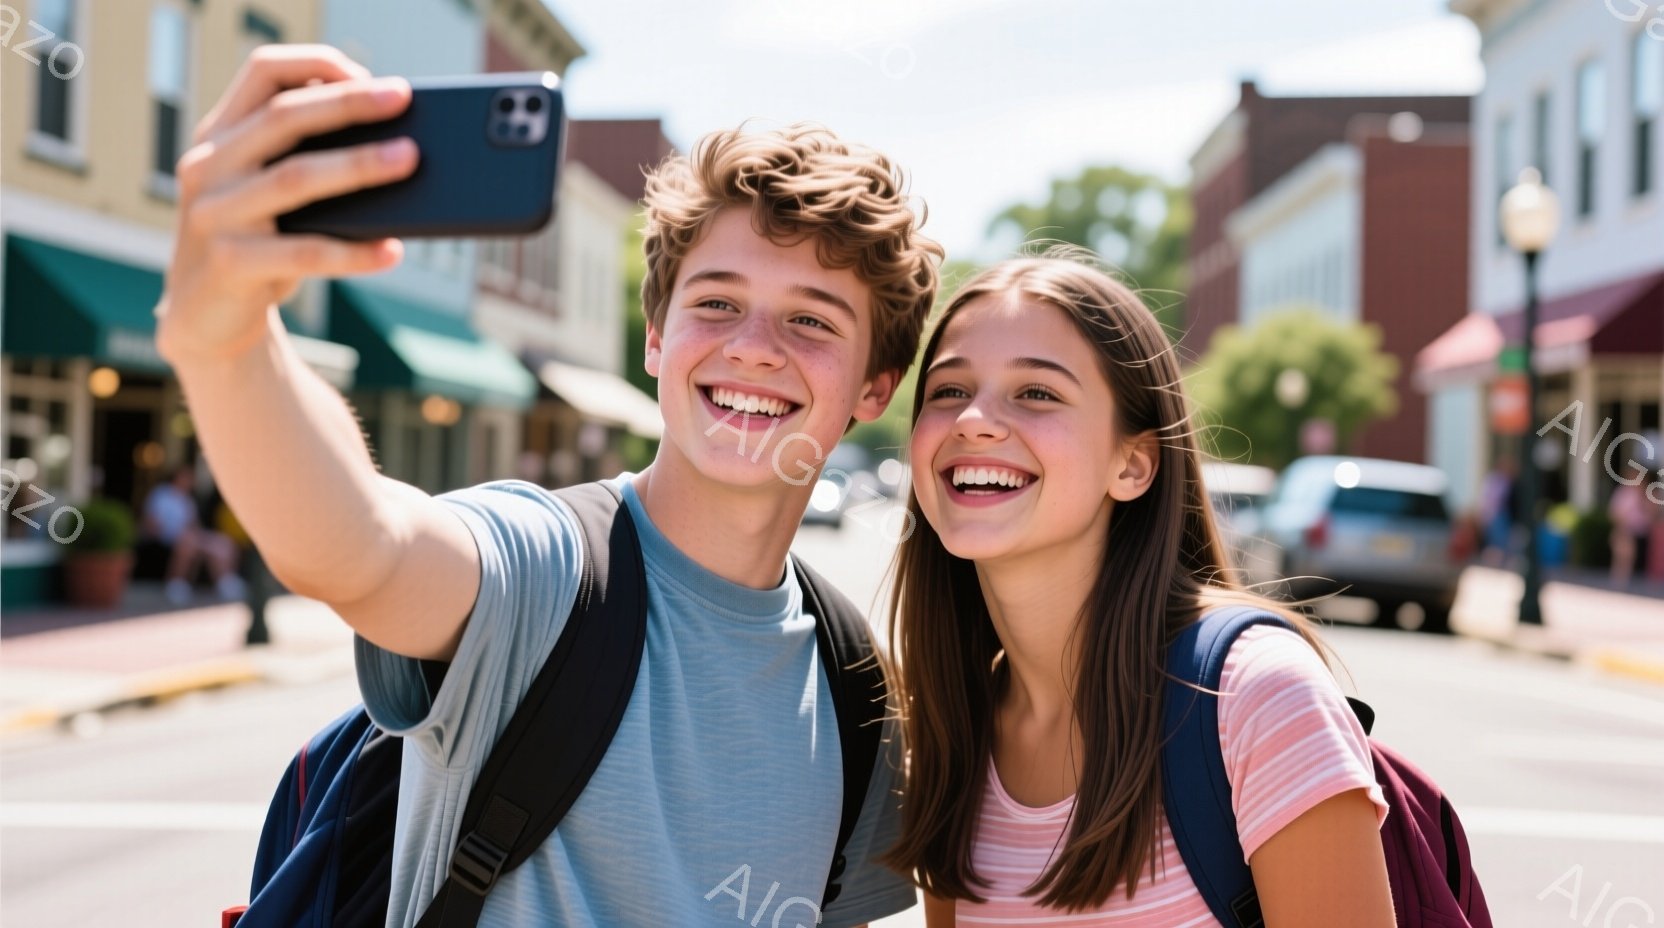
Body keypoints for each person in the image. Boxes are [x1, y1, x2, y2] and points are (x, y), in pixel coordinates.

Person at [154, 45, 940, 927]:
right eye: (716, 302)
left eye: (809, 319)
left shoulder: (852, 683)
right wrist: (221, 337)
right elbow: (361, 546)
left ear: (876, 387)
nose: (754, 345)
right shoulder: (550, 570)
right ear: (654, 338)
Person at [882, 254, 1395, 926]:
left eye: (1036, 393)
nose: (973, 420)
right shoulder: (955, 732)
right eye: (948, 390)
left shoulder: (1260, 696)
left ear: (1132, 464)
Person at [140, 463, 244, 604]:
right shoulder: (161, 494)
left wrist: (200, 537)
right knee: (188, 541)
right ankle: (176, 583)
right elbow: (151, 522)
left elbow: (194, 525)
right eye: (186, 477)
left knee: (223, 542)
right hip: (166, 536)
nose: (189, 481)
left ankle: (226, 581)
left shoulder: (187, 500)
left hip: (189, 536)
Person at [1609, 479, 1656, 587]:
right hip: (1626, 530)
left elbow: (1649, 514)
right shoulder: (1625, 494)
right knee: (1623, 557)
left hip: (1639, 532)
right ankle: (1619, 583)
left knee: (1628, 559)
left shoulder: (1643, 494)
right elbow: (1616, 513)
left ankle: (1621, 583)